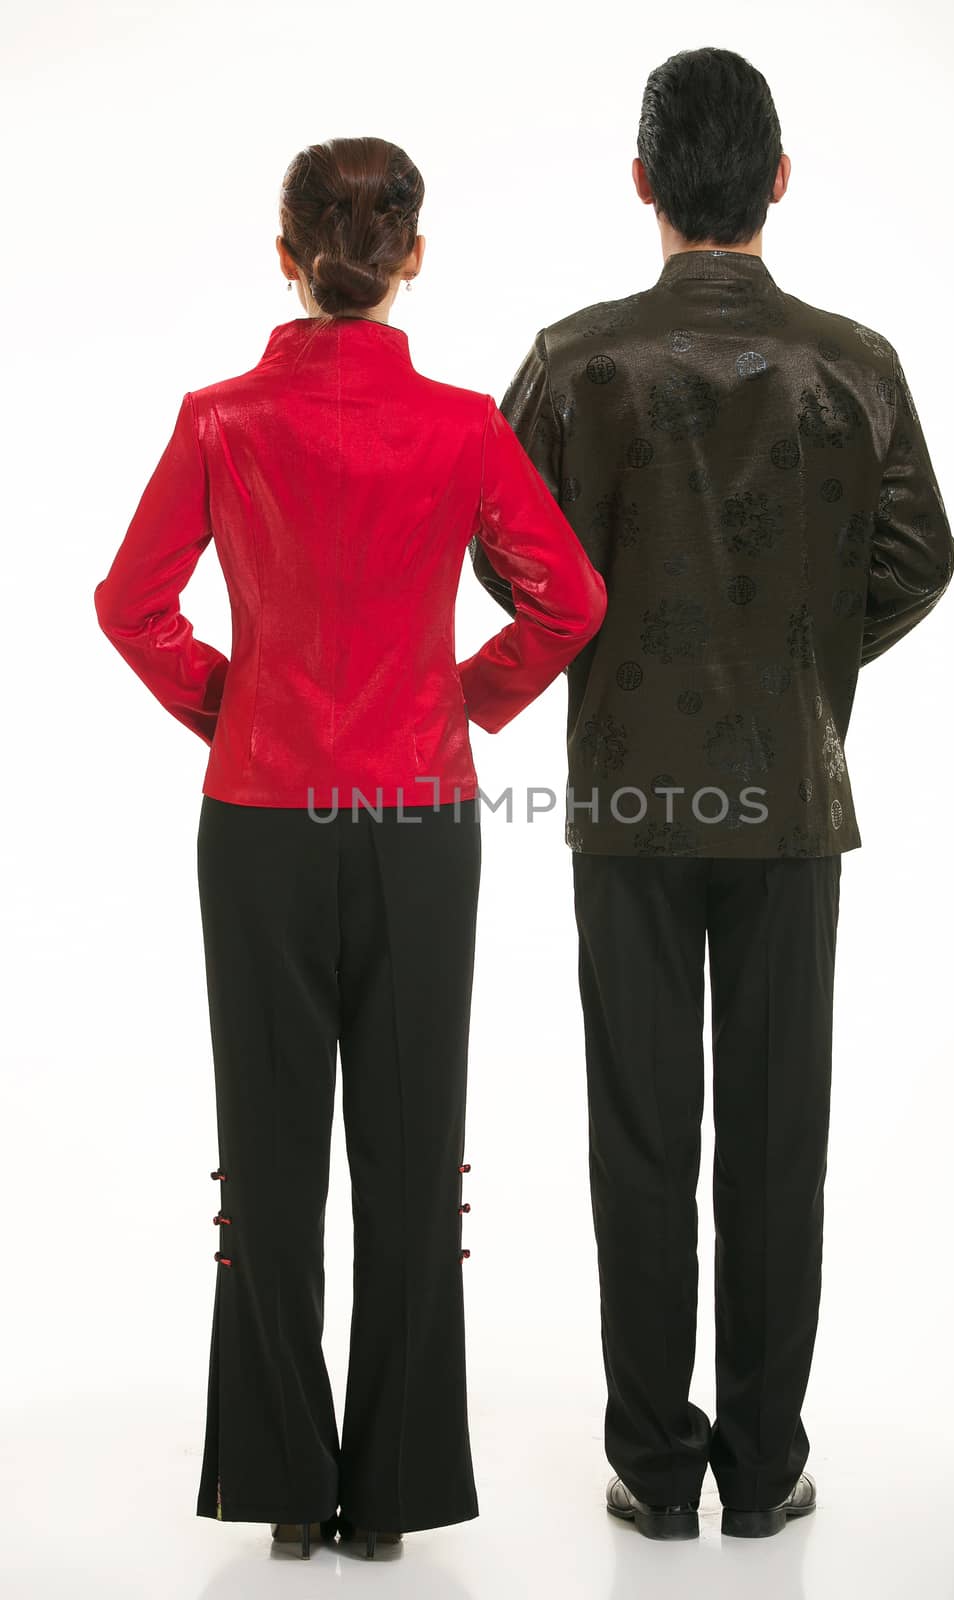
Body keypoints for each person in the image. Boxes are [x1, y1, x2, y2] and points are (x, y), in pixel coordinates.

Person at [94, 135, 606, 1560]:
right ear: (413, 260)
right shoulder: (459, 429)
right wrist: (463, 698)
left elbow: (130, 603)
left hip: (258, 821)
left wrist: (234, 709)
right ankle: (392, 1496)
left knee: (264, 1157)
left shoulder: (220, 419)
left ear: (286, 257)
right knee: (409, 1149)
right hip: (423, 820)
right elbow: (569, 598)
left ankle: (276, 1489)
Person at [471, 48, 954, 1541]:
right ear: (780, 181)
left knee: (639, 1130)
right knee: (775, 1132)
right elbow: (920, 556)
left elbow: (510, 554)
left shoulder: (574, 359)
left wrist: (612, 643)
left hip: (627, 798)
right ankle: (764, 1467)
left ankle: (650, 1468)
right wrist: (806, 658)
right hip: (790, 801)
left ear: (643, 184)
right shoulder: (855, 363)